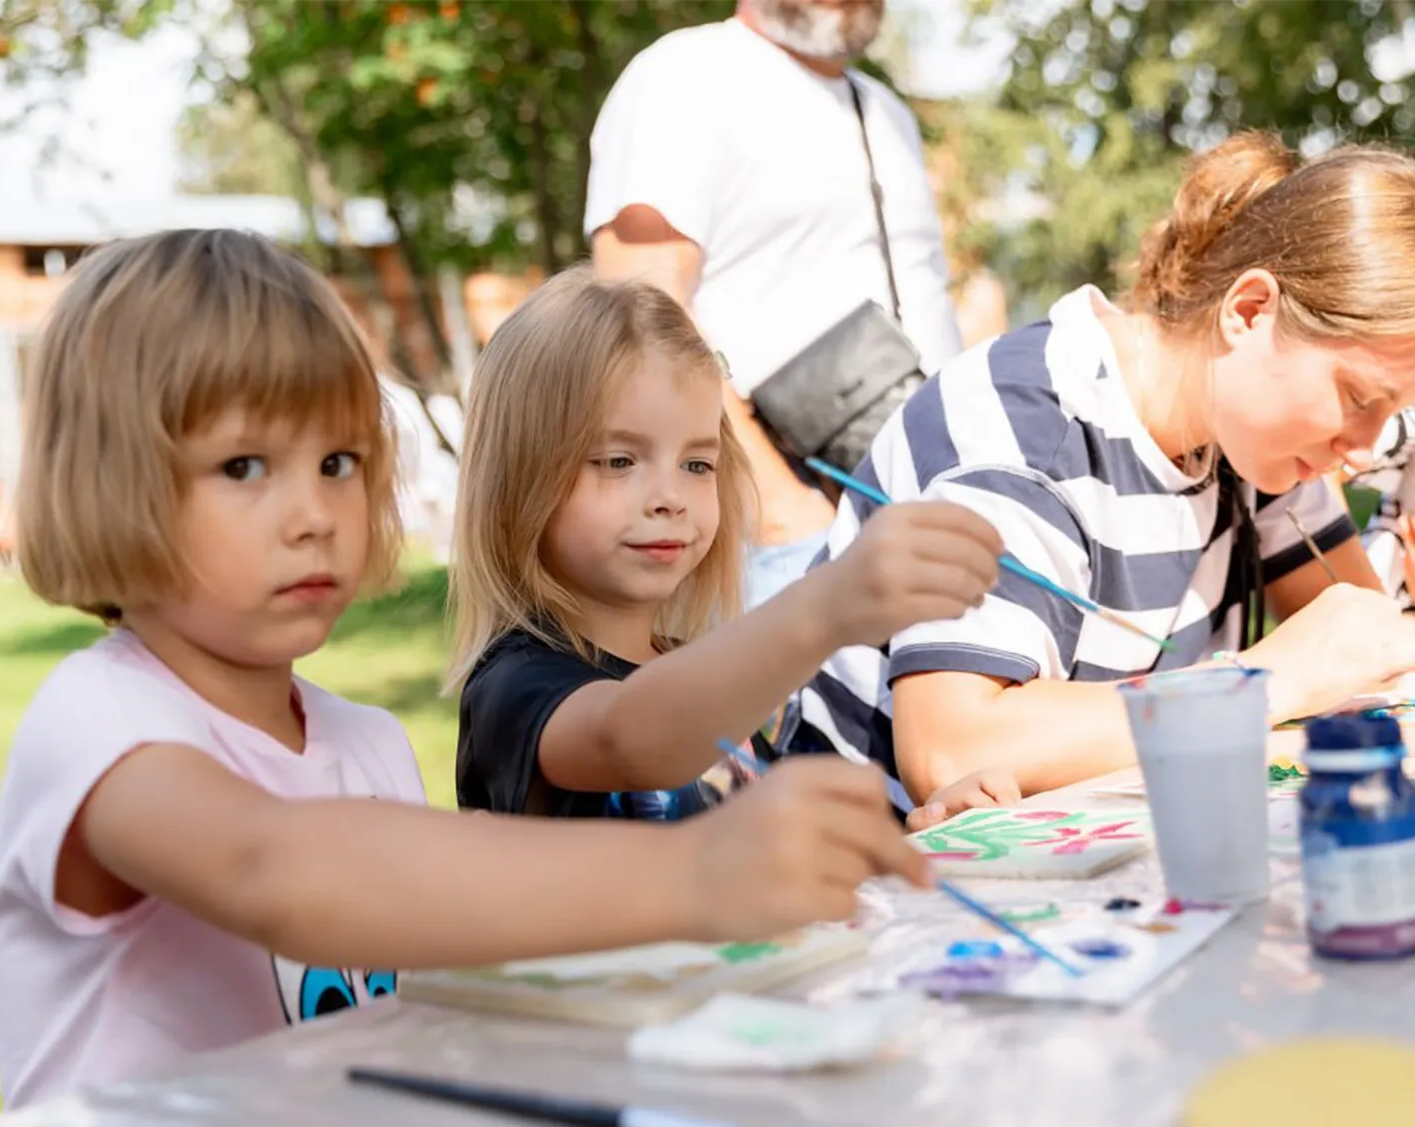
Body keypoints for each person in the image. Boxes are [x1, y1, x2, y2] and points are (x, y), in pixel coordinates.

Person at [0, 229, 938, 1109]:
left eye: (340, 461)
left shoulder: (367, 747)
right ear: (106, 481)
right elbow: (279, 874)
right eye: (243, 467)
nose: (314, 512)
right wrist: (697, 873)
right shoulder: (98, 723)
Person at [790, 131, 1415, 806]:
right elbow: (953, 750)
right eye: (1356, 398)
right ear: (1249, 311)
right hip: (854, 875)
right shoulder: (1025, 431)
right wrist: (1260, 683)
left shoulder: (1256, 447)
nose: (1363, 450)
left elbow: (1371, 656)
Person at [448, 265, 1017, 824]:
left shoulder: (696, 672)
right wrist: (826, 606)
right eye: (618, 461)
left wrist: (923, 825)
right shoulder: (516, 688)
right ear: (519, 479)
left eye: (697, 463)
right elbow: (635, 740)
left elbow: (779, 846)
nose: (670, 497)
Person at [585, 0, 963, 608]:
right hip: (785, 539)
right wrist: (773, 506)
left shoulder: (887, 111)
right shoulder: (684, 77)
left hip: (914, 504)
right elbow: (634, 314)